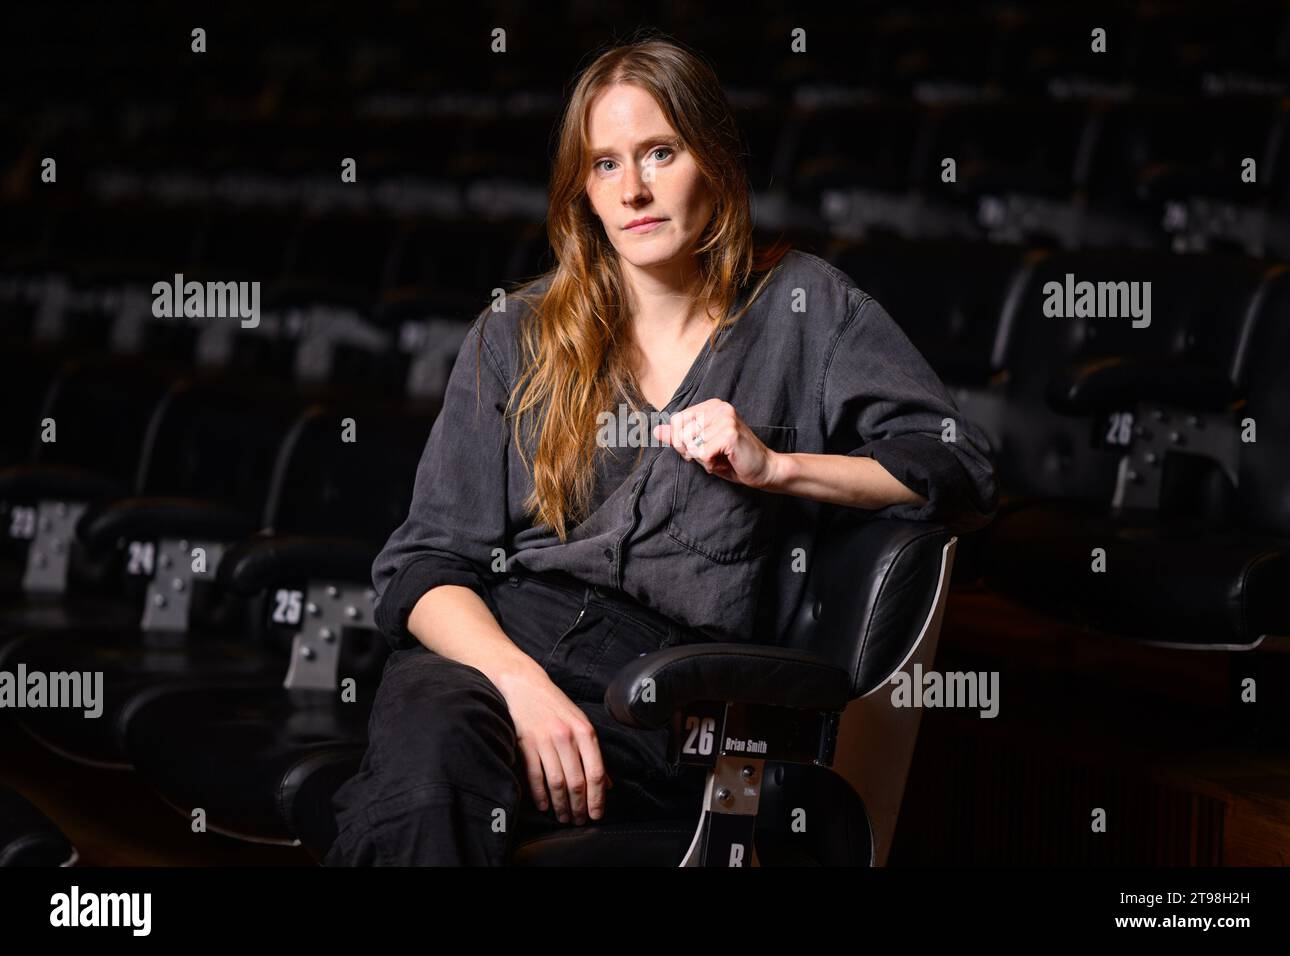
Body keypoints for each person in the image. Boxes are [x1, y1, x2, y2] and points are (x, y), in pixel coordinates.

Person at [324, 35, 999, 866]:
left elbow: (961, 467)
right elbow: (424, 565)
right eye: (606, 165)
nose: (634, 189)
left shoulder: (803, 306)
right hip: (490, 657)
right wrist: (522, 686)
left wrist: (777, 468)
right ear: (583, 194)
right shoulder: (516, 332)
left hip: (659, 696)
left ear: (711, 160)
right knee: (427, 783)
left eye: (659, 152)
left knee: (420, 803)